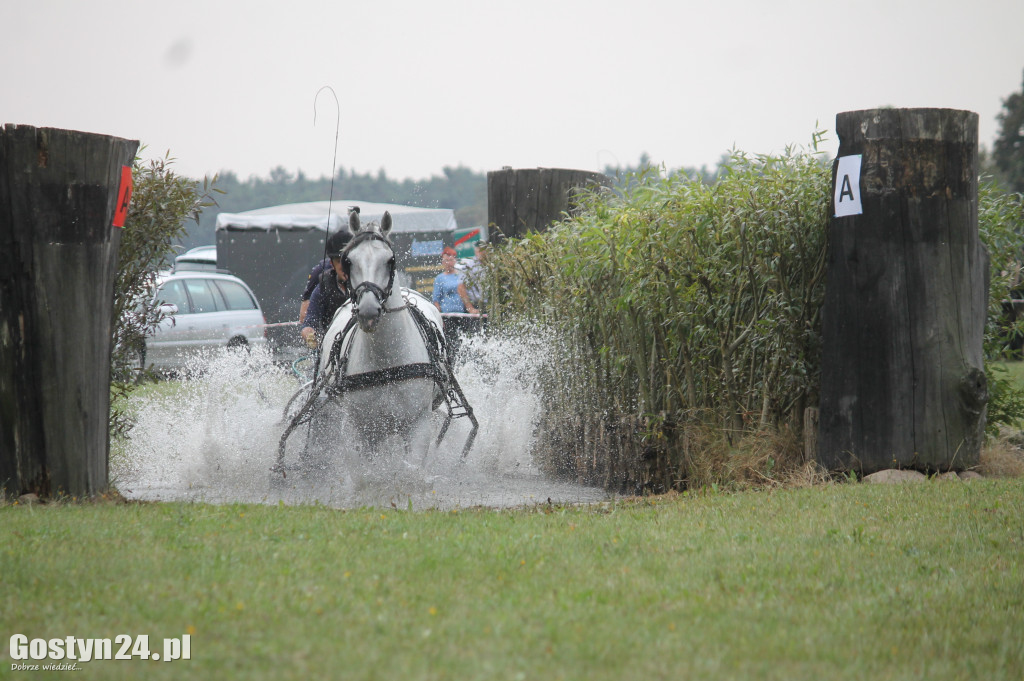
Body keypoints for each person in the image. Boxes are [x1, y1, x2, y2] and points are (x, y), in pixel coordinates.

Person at [300, 229, 353, 349]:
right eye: (340, 261)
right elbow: (309, 322)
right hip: (332, 346)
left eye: (348, 261)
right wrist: (310, 335)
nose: (344, 266)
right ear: (332, 264)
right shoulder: (322, 289)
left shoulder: (365, 287)